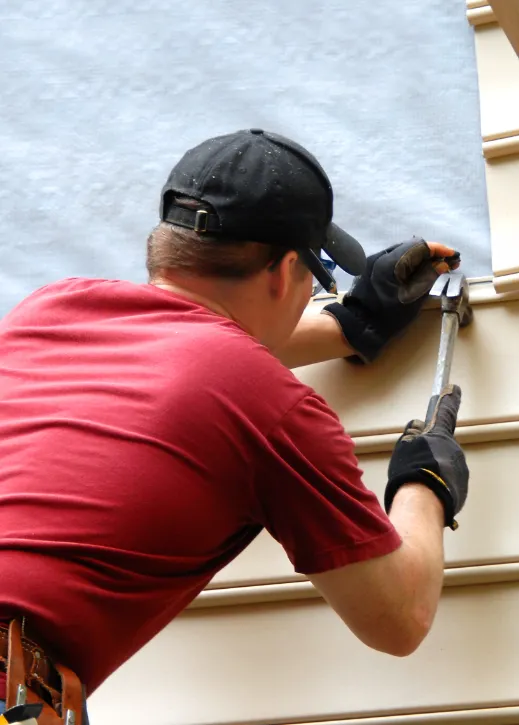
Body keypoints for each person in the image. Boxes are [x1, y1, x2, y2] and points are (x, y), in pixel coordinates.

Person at [0, 129, 469, 723]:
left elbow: (185, 359)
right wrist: (424, 483)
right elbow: (400, 619)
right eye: (318, 280)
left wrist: (353, 324)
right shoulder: (273, 408)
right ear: (284, 273)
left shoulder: (49, 310)